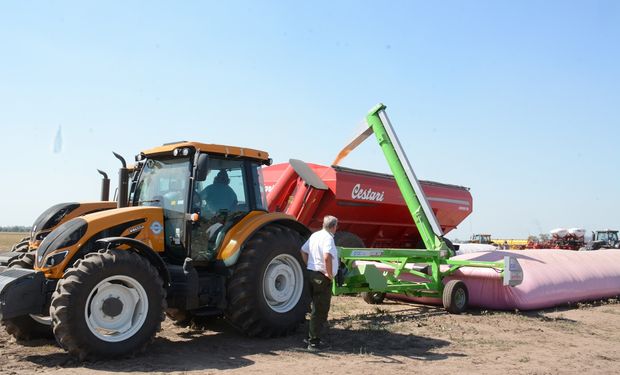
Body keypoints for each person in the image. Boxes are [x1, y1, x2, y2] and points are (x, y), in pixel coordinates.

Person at [300, 215, 339, 352]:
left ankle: (309, 336)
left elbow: (303, 251)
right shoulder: (328, 238)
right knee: (320, 310)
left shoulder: (315, 235)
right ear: (334, 226)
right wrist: (328, 274)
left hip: (311, 273)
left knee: (314, 308)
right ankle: (314, 343)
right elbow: (327, 256)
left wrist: (310, 266)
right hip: (321, 277)